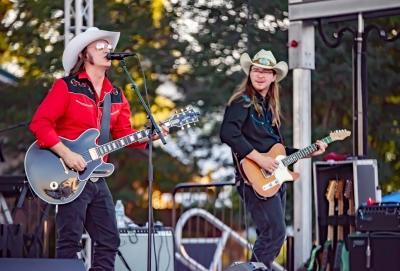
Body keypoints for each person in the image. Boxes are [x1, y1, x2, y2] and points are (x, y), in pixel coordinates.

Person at [29, 27, 169, 271]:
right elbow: (40, 123)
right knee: (69, 241)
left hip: (95, 176)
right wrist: (67, 154)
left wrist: (149, 136)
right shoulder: (67, 86)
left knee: (109, 241)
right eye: (100, 46)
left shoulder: (116, 94)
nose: (108, 50)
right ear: (84, 54)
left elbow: (123, 133)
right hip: (68, 173)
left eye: (109, 46)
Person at [219, 49, 327, 269]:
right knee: (275, 232)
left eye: (265, 71)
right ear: (250, 73)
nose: (260, 75)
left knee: (270, 236)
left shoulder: (269, 108)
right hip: (254, 178)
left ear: (273, 76)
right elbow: (228, 133)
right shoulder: (242, 103)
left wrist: (307, 151)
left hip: (273, 179)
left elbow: (276, 150)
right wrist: (259, 159)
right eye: (255, 70)